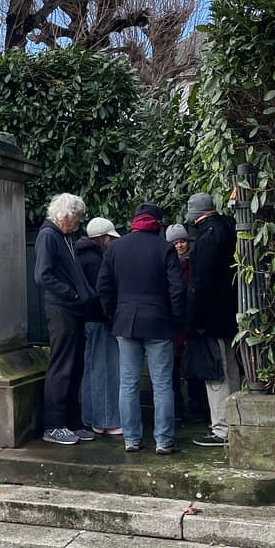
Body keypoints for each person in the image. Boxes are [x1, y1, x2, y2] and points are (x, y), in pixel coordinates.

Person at [96, 201, 186, 454]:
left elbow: (103, 287)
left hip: (126, 323)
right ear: (157, 224)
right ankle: (164, 441)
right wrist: (176, 319)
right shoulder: (165, 248)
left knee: (128, 383)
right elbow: (177, 289)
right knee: (162, 384)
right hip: (159, 323)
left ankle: (132, 439)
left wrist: (114, 315)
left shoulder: (116, 248)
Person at [33, 193, 97, 445]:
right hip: (61, 309)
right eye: (77, 218)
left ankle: (71, 421)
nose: (78, 223)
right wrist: (72, 293)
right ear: (66, 216)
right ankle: (54, 424)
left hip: (72, 308)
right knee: (62, 365)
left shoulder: (62, 237)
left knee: (75, 365)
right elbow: (42, 276)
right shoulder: (49, 236)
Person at [185, 191, 240, 447]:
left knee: (215, 373)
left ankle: (222, 429)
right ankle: (237, 422)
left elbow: (201, 283)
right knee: (231, 368)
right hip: (231, 312)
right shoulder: (229, 228)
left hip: (211, 316)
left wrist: (193, 319)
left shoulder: (207, 236)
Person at [74, 217, 122, 435]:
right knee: (104, 368)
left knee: (92, 368)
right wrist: (110, 315)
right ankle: (105, 421)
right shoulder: (95, 260)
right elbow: (102, 292)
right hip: (99, 320)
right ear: (103, 238)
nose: (112, 242)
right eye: (110, 238)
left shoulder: (82, 255)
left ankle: (91, 417)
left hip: (87, 319)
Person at [165, 223, 210, 428]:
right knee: (173, 370)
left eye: (182, 241)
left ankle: (196, 408)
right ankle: (177, 411)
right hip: (175, 324)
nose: (180, 246)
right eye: (175, 243)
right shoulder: (168, 265)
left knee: (193, 369)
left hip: (189, 324)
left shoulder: (194, 263)